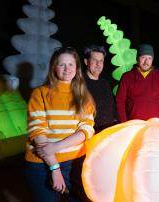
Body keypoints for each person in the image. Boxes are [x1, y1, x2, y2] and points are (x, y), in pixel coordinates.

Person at [24, 47, 95, 202]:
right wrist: (54, 168)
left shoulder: (84, 96)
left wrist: (56, 147)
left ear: (77, 68)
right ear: (54, 67)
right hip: (41, 163)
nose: (67, 69)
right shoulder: (40, 93)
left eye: (71, 64)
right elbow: (37, 130)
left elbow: (86, 130)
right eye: (62, 64)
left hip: (74, 162)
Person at [116, 43, 159, 122]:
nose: (146, 62)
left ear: (152, 59)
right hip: (133, 125)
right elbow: (120, 102)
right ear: (137, 58)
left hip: (156, 125)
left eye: (149, 58)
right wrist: (124, 123)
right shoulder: (126, 77)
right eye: (143, 57)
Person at [83, 44, 118, 132]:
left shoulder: (105, 83)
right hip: (89, 134)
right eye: (94, 60)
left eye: (101, 61)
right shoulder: (79, 84)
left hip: (107, 132)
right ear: (86, 61)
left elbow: (112, 108)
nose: (98, 64)